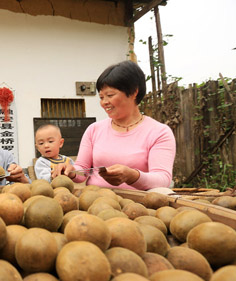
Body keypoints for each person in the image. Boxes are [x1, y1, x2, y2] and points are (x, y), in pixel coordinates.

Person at [54, 60, 176, 190]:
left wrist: (132, 176)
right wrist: (70, 170)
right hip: (95, 201)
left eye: (110, 95)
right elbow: (83, 170)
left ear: (134, 92)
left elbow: (162, 179)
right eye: (101, 97)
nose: (104, 102)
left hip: (140, 206)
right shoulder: (94, 130)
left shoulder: (159, 132)